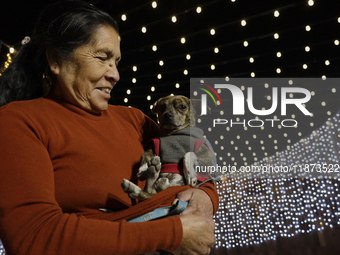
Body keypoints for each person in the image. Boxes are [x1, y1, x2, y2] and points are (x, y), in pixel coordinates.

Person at [0, 1, 219, 254]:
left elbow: (198, 158)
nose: (114, 74)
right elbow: (33, 236)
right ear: (56, 59)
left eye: (116, 62)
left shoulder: (135, 120)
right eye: (102, 58)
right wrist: (172, 234)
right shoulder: (18, 122)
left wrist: (206, 197)